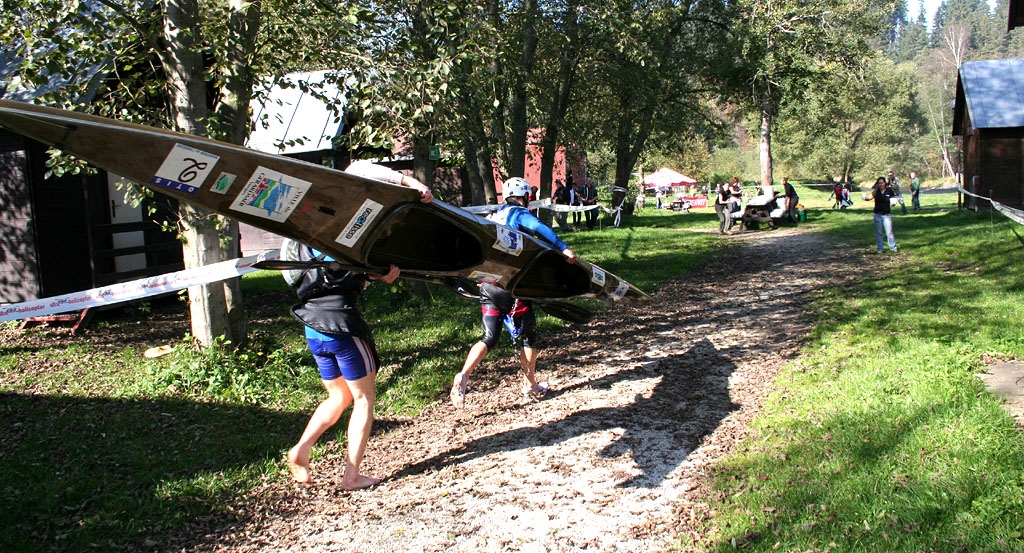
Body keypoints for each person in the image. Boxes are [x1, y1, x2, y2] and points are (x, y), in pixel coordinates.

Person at [286, 161, 432, 489]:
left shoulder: (304, 236)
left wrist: (372, 274)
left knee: (339, 397)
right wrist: (383, 275)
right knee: (364, 399)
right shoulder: (344, 232)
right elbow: (358, 167)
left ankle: (301, 449)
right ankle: (351, 475)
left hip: (312, 325)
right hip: (341, 325)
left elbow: (339, 270)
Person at [451, 177, 577, 408]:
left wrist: (479, 276)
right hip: (513, 287)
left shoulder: (494, 215)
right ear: (524, 196)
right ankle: (530, 385)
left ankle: (464, 375)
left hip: (488, 285)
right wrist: (564, 248)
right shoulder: (518, 213)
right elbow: (541, 229)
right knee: (528, 336)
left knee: (489, 337)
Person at [863, 176, 898, 254]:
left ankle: (893, 247)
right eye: (879, 183)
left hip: (886, 215)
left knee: (889, 232)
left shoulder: (889, 191)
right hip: (877, 215)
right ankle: (880, 248)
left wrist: (894, 203)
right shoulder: (876, 191)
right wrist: (865, 197)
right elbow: (869, 197)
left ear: (885, 183)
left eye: (882, 183)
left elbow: (893, 199)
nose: (880, 184)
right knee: (879, 233)